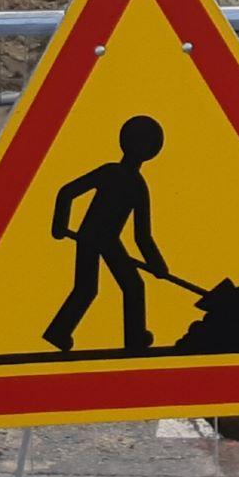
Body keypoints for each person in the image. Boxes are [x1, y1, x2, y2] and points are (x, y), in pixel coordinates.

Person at [42, 115, 166, 353]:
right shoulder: (132, 182)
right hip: (94, 238)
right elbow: (67, 192)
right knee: (124, 287)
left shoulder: (120, 176)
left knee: (95, 288)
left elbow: (141, 234)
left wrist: (157, 264)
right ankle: (133, 339)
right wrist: (58, 225)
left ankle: (60, 332)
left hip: (102, 239)